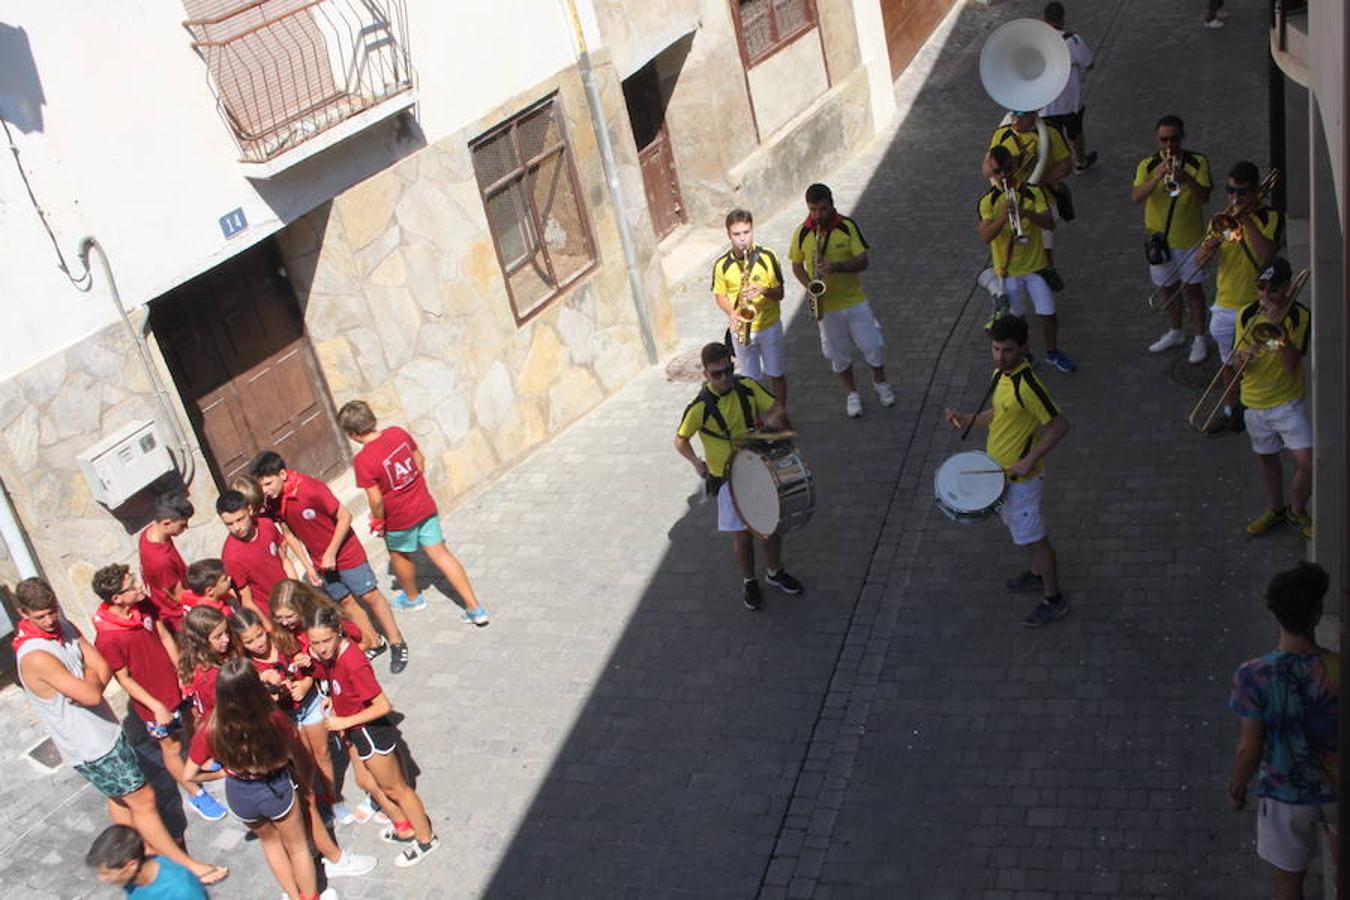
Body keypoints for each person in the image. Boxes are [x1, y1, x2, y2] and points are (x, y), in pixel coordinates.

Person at [12, 578, 227, 886]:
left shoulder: (63, 626)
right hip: (92, 747)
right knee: (144, 800)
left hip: (106, 732)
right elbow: (92, 693)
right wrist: (91, 678)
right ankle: (185, 865)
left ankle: (133, 853)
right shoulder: (36, 655)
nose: (49, 621)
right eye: (40, 617)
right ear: (23, 613)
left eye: (52, 612)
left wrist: (90, 678)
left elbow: (102, 669)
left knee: (121, 799)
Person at [183, 658, 377, 899]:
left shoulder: (210, 726)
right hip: (274, 788)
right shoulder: (271, 717)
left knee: (271, 844)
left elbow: (189, 775)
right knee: (297, 848)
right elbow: (296, 751)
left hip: (239, 794)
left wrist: (223, 773)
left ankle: (293, 896)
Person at [943, 315, 1072, 627]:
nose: (1000, 356)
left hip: (1022, 480)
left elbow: (1060, 425)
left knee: (1035, 538)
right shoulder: (1000, 374)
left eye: (1008, 350)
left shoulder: (1028, 386)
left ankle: (1054, 599)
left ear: (1024, 348)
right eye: (996, 349)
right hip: (1001, 475)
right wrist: (969, 418)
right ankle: (1037, 574)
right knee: (1022, 533)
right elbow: (1000, 413)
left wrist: (1029, 460)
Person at [1228, 561, 1338, 898]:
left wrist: (1237, 787)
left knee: (1288, 885)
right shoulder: (1337, 668)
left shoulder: (1253, 675)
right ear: (1316, 614)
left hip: (1285, 794)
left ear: (1275, 615)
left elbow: (1249, 749)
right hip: (1337, 787)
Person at [90, 564, 228, 823]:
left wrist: (182, 672)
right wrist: (156, 706)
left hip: (175, 684)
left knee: (193, 723)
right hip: (154, 701)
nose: (139, 587)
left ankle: (202, 759)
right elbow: (124, 679)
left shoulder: (142, 605)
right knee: (171, 747)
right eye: (132, 586)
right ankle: (196, 793)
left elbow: (164, 635)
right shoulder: (108, 638)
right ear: (117, 598)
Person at [250, 450, 409, 673]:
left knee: (370, 596)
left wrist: (331, 552)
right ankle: (374, 641)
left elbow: (345, 516)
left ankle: (397, 641)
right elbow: (289, 533)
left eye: (268, 483)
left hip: (345, 553)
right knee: (345, 601)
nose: (266, 491)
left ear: (283, 474)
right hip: (320, 562)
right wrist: (308, 566)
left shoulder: (310, 489)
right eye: (262, 487)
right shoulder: (275, 501)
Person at [673, 342, 804, 611]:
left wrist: (775, 424)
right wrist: (697, 463)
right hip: (727, 479)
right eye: (716, 374)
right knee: (743, 535)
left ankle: (775, 572)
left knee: (772, 524)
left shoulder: (747, 387)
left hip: (758, 469)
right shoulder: (699, 408)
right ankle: (749, 581)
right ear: (705, 375)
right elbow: (680, 440)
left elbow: (776, 408)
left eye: (727, 370)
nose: (724, 378)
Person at [306, 605, 440, 867]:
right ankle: (406, 828)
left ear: (338, 632)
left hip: (371, 733)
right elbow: (339, 682)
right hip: (357, 732)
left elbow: (383, 706)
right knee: (367, 782)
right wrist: (334, 697)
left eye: (326, 640)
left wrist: (343, 721)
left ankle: (426, 838)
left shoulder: (353, 662)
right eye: (315, 643)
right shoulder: (334, 654)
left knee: (396, 789)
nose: (321, 648)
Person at [336, 400, 490, 625]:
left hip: (399, 518)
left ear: (352, 434)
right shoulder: (397, 433)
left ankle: (413, 598)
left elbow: (376, 499)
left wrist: (378, 520)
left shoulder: (363, 460)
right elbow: (420, 459)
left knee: (398, 554)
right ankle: (475, 608)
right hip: (424, 505)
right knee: (441, 554)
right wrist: (412, 484)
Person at [269, 579, 388, 827]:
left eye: (289, 616)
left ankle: (386, 802)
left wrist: (334, 665)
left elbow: (364, 640)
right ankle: (376, 796)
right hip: (332, 698)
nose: (285, 622)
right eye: (279, 617)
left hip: (350, 698)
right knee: (351, 749)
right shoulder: (284, 632)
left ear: (302, 607)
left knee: (366, 756)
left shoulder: (324, 622)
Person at [788, 183, 894, 418]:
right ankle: (852, 393)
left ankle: (880, 383)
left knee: (873, 345)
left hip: (854, 300)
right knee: (837, 354)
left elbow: (863, 261)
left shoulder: (847, 226)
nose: (817, 215)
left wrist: (836, 267)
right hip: (827, 306)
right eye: (813, 209)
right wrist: (811, 287)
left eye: (822, 209)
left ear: (832, 205)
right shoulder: (803, 232)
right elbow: (796, 266)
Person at [1225, 258, 1313, 538]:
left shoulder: (1299, 315)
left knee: (1307, 463)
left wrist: (1279, 332)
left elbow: (1291, 365)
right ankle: (1275, 509)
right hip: (1254, 401)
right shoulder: (1246, 314)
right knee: (1266, 458)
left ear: (1287, 288)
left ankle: (1297, 510)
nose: (1265, 295)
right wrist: (1242, 358)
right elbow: (1237, 366)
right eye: (1261, 288)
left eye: (1273, 289)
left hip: (1287, 402)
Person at [1200, 160, 1284, 431]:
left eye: (1242, 192)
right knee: (1229, 364)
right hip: (1225, 304)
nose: (1234, 198)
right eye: (1230, 191)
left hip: (1258, 305)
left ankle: (1263, 414)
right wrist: (1209, 248)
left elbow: (1267, 256)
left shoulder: (1271, 218)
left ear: (1256, 191)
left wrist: (1245, 219)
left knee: (1261, 363)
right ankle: (1231, 411)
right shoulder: (1220, 221)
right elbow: (1199, 263)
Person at [978, 146, 1077, 372]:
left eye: (1007, 169)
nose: (1004, 175)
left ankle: (1052, 352)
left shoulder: (1033, 192)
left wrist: (1026, 213)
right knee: (1017, 320)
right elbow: (986, 236)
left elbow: (1050, 224)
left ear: (1014, 167)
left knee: (1048, 313)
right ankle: (1025, 354)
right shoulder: (988, 201)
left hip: (1036, 267)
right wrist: (1003, 217)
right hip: (1008, 271)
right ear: (992, 172)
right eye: (998, 171)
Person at [1132, 114, 1214, 363]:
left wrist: (1187, 179)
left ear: (1183, 138)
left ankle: (1199, 338)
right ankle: (1176, 331)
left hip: (1190, 239)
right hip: (1159, 241)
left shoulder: (1198, 162)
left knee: (1194, 290)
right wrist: (1157, 177)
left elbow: (1204, 198)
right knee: (1168, 289)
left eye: (1174, 139)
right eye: (1164, 140)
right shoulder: (1147, 165)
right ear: (1157, 140)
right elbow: (1136, 197)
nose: (1169, 145)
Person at [712, 209, 789, 412]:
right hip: (741, 329)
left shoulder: (768, 257)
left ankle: (780, 414)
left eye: (746, 232)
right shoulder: (721, 265)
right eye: (736, 234)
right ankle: (756, 419)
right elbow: (720, 295)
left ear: (752, 230)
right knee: (749, 381)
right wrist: (733, 313)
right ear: (729, 235)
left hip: (768, 325)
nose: (742, 239)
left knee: (776, 374)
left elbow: (780, 293)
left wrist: (763, 290)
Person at [987, 107, 1074, 270]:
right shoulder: (1002, 134)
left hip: (1042, 202)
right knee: (1011, 253)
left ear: (1033, 114)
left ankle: (1045, 275)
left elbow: (1066, 165)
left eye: (1021, 114)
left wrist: (1040, 181)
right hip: (1010, 201)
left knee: (1044, 254)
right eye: (1013, 113)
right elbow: (988, 168)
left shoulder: (1050, 132)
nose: (1015, 118)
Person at [218, 489, 296, 626]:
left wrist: (297, 591)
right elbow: (246, 601)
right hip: (272, 615)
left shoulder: (266, 525)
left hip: (292, 600)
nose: (237, 527)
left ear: (249, 510)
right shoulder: (231, 557)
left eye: (240, 519)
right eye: (229, 524)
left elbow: (284, 560)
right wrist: (269, 627)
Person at [1041, 2, 1097, 173]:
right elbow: (1089, 63)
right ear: (1062, 19)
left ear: (1044, 19)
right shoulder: (1073, 40)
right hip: (1070, 101)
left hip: (1046, 104)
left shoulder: (1037, 41)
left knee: (1050, 138)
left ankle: (1052, 169)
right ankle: (1080, 162)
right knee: (1075, 133)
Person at [87, 824, 207, 899]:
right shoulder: (131, 878)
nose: (100, 878)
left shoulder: (183, 890)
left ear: (132, 865)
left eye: (106, 873)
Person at [138, 492, 193, 633]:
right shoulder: (161, 560)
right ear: (166, 523)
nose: (186, 528)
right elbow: (179, 596)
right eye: (182, 525)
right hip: (179, 617)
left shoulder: (148, 534)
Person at [177, 605, 236, 721]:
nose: (226, 639)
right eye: (218, 636)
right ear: (201, 641)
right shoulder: (209, 676)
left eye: (226, 632)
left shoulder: (199, 660)